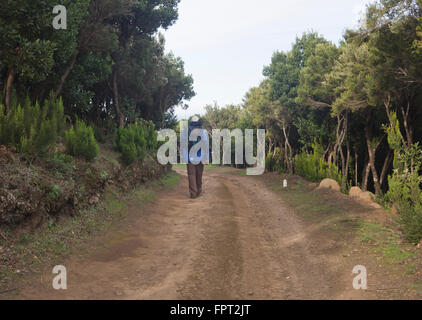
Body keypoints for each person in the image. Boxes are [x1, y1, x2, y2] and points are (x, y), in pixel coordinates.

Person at [182, 116, 208, 199]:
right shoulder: (203, 131)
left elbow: (184, 145)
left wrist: (185, 158)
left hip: (190, 157)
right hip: (200, 156)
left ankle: (193, 193)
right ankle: (199, 190)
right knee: (199, 174)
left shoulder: (186, 130)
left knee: (191, 175)